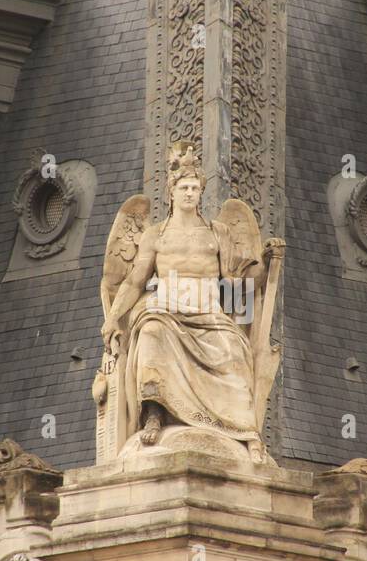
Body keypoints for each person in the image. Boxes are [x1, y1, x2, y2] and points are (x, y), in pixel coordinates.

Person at [100, 145, 277, 460]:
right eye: (184, 187)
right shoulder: (156, 234)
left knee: (235, 351)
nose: (190, 193)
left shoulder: (216, 231)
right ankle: (154, 413)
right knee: (151, 331)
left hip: (208, 312)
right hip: (167, 310)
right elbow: (134, 281)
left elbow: (236, 283)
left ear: (201, 192)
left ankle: (246, 431)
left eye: (195, 188)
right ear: (172, 191)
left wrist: (264, 263)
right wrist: (113, 318)